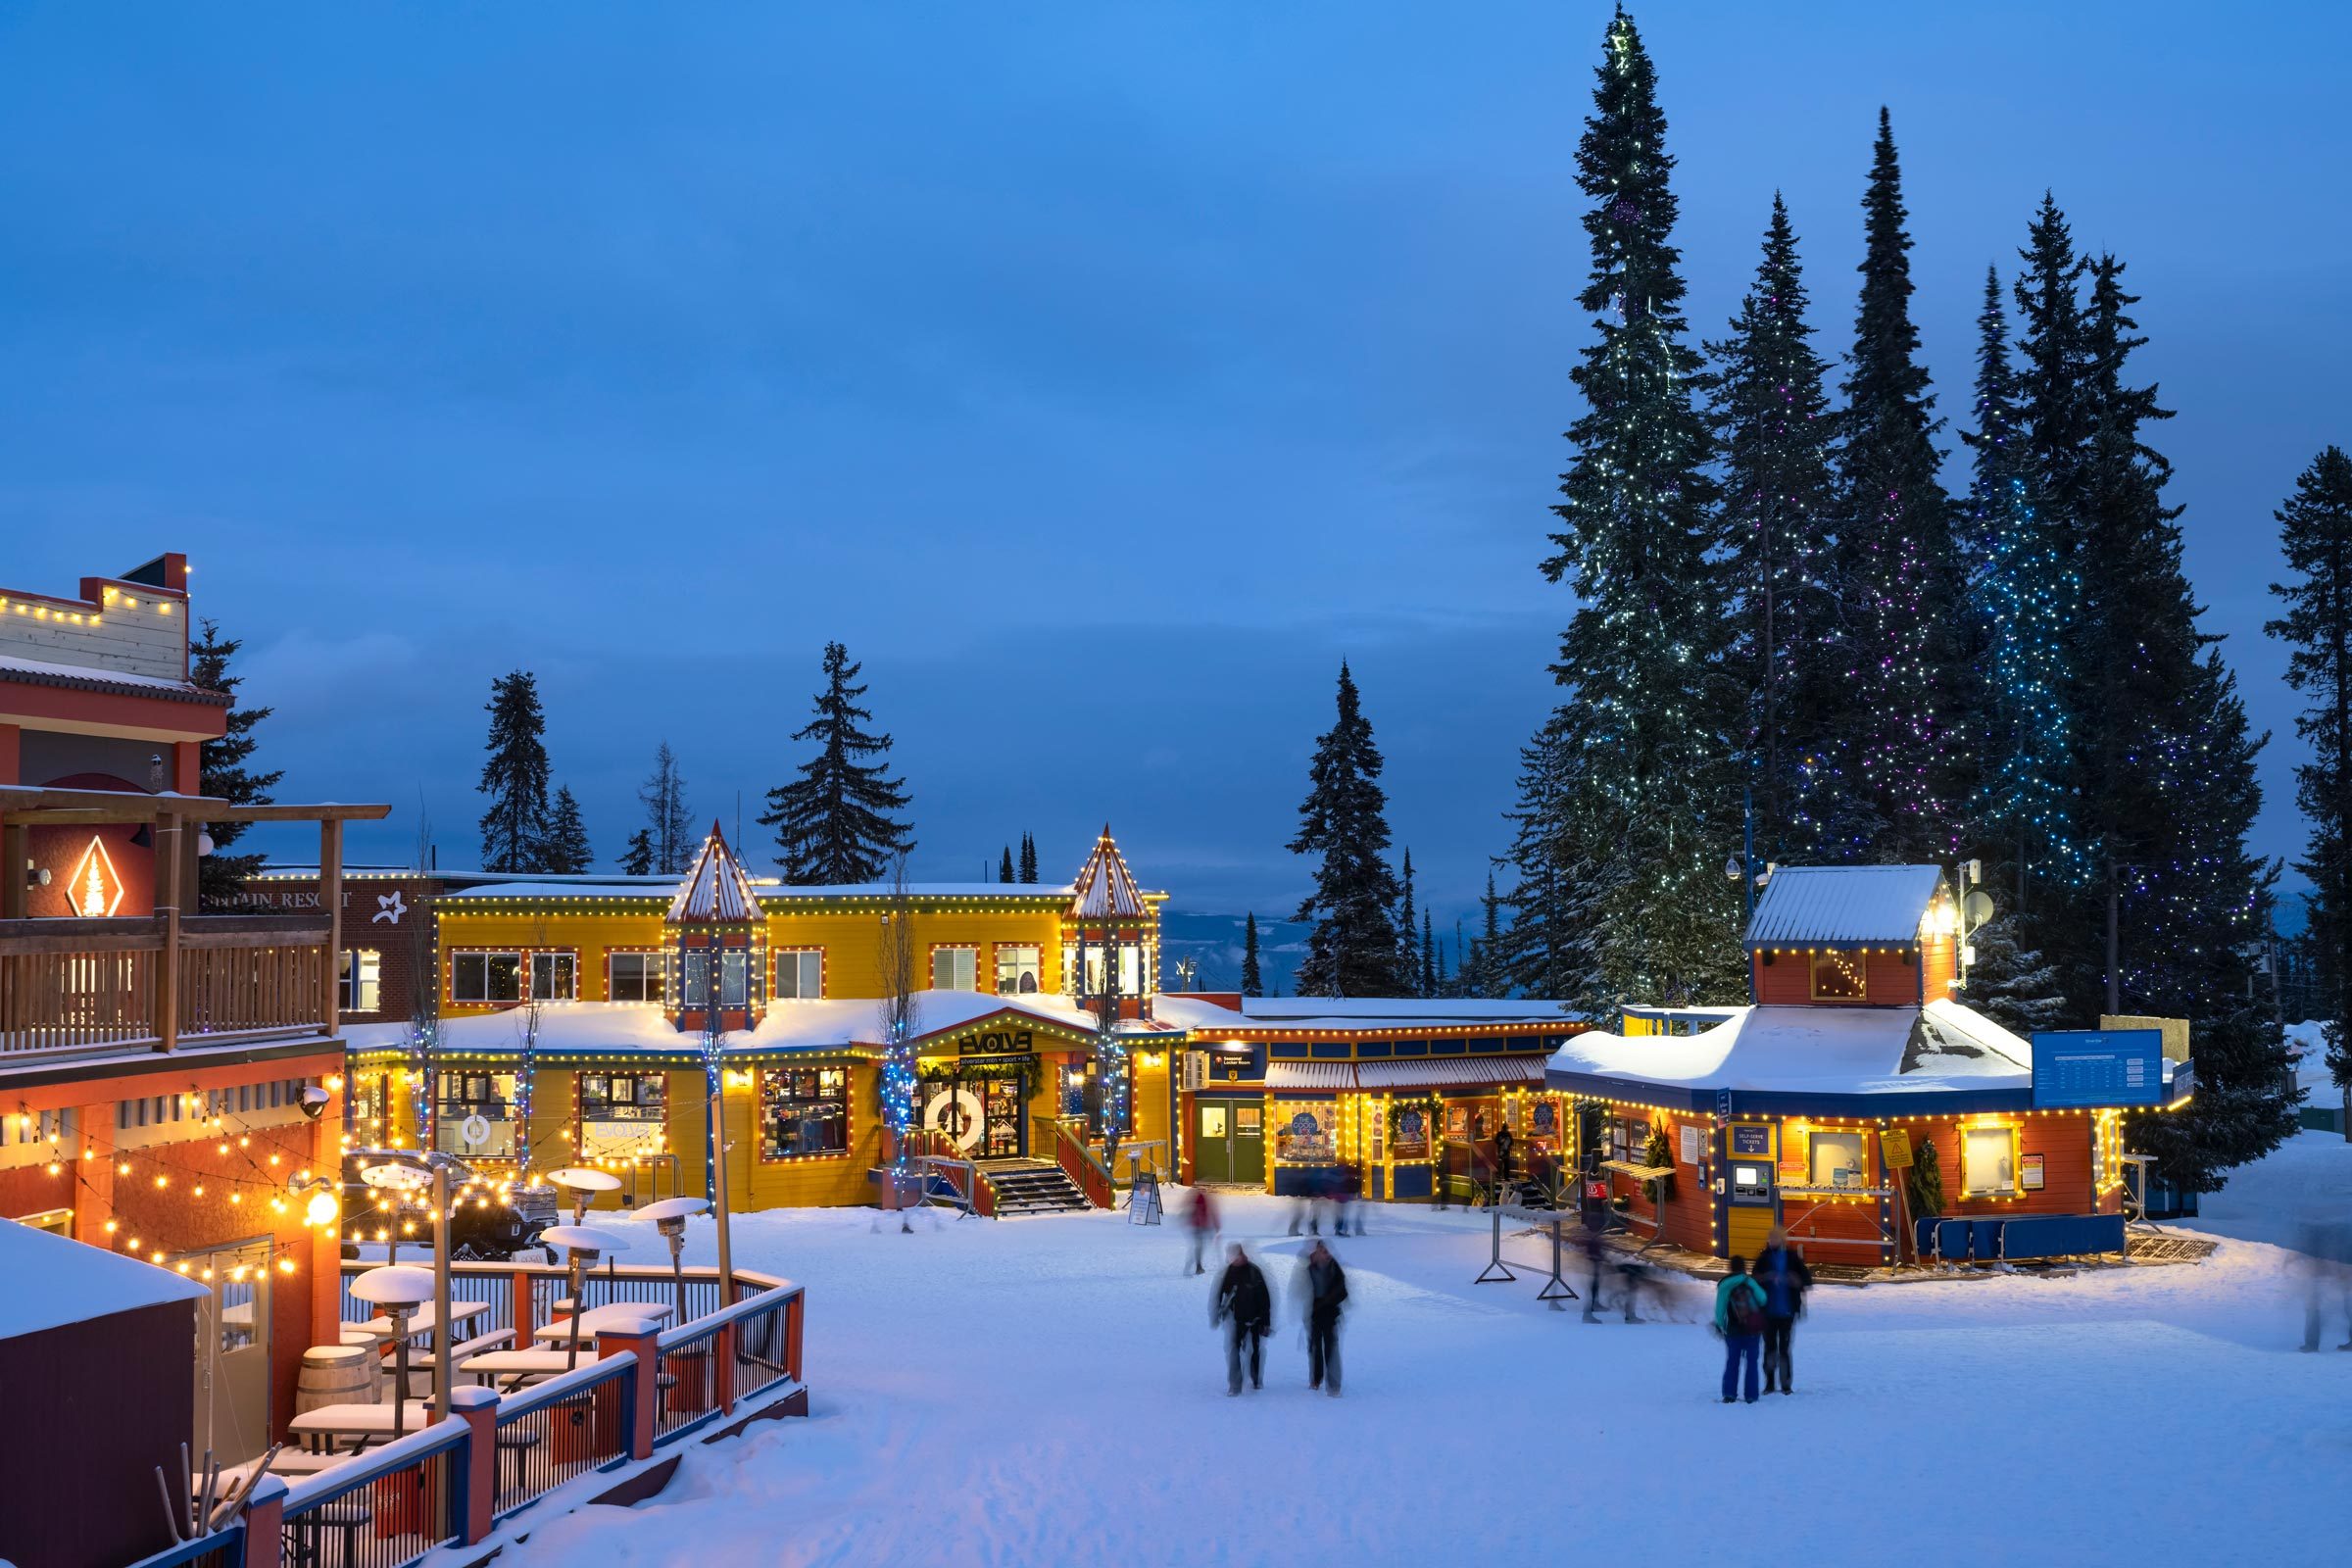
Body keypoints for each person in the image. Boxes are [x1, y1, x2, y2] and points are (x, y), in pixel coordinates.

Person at [1753, 1224, 1814, 1394]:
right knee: (1769, 1348)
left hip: (1787, 1311)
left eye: (1775, 1237)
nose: (1771, 1241)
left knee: (1784, 1349)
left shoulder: (1792, 1258)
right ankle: (1770, 1383)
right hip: (1767, 1312)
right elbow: (1753, 1281)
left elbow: (1807, 1280)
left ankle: (1786, 1385)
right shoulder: (1763, 1258)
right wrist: (1765, 1277)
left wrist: (1795, 1280)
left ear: (1782, 1239)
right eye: (1770, 1238)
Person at [1212, 1244, 1271, 1396]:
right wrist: (1217, 1311)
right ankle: (1235, 1384)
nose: (1235, 1258)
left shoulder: (1254, 1271)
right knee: (1234, 1349)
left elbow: (1265, 1299)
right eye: (1232, 1256)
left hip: (1256, 1318)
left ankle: (1256, 1378)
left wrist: (1266, 1322)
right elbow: (1219, 1293)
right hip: (1238, 1318)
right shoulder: (1229, 1273)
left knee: (1254, 1350)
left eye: (1237, 1255)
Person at [1714, 1255, 1767, 1404]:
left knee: (1732, 1362)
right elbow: (1763, 1298)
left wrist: (1720, 1325)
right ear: (1744, 1267)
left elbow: (1720, 1308)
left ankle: (1729, 1394)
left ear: (1730, 1268)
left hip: (1733, 1330)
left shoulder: (1724, 1285)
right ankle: (1751, 1395)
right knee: (1751, 1363)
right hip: (1752, 1329)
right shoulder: (1748, 1281)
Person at [1299, 1240, 1348, 1395]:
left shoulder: (1335, 1268)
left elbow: (1343, 1292)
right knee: (1314, 1348)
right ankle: (1316, 1379)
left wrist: (1329, 1300)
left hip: (1330, 1315)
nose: (1325, 1253)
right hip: (1314, 1315)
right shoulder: (1309, 1269)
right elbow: (1304, 1291)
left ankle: (1334, 1385)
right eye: (1321, 1250)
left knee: (1331, 1349)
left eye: (1326, 1250)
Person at [1184, 1186, 1220, 1276]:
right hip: (1202, 1227)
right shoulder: (1203, 1199)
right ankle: (1197, 1267)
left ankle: (1197, 1266)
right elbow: (1212, 1212)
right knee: (1200, 1246)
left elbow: (1189, 1212)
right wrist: (1216, 1225)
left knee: (1199, 1247)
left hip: (1199, 1226)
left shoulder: (1195, 1199)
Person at [1494, 1121, 1515, 1188]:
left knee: (1505, 1165)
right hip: (1502, 1151)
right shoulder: (1503, 1134)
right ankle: (1501, 1176)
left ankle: (1504, 1177)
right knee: (1501, 1164)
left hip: (1504, 1151)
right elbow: (1497, 1141)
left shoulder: (1505, 1134)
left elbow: (1511, 1142)